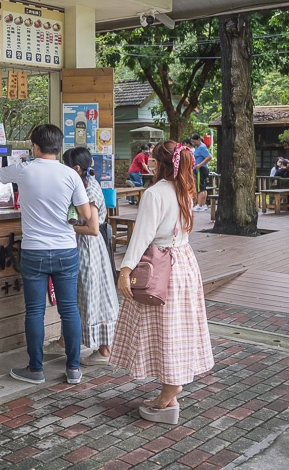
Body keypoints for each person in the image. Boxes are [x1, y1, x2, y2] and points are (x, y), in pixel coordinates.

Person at [0, 124, 93, 386]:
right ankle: (74, 369)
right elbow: (86, 215)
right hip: (66, 249)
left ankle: (36, 369)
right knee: (69, 309)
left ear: (35, 146)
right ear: (58, 146)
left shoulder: (25, 169)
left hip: (35, 251)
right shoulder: (71, 175)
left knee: (34, 311)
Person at [109, 141, 215, 425]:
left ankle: (170, 390)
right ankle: (171, 393)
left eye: (154, 161)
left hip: (160, 267)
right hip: (184, 264)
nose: (150, 165)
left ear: (162, 164)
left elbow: (142, 235)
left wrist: (125, 270)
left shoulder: (155, 193)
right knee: (178, 327)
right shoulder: (186, 190)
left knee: (163, 328)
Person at [58, 147, 119, 366]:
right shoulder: (83, 182)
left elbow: (93, 228)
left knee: (93, 295)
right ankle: (63, 340)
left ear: (76, 168)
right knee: (78, 296)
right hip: (84, 246)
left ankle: (104, 350)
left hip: (89, 248)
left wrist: (66, 229)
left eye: (65, 165)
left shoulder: (90, 189)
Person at [190, 134, 211, 211]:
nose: (193, 143)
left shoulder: (202, 147)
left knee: (200, 187)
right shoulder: (199, 147)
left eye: (194, 141)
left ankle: (199, 205)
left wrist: (200, 164)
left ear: (198, 139)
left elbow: (209, 157)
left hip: (201, 169)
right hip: (201, 169)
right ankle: (203, 204)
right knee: (203, 187)